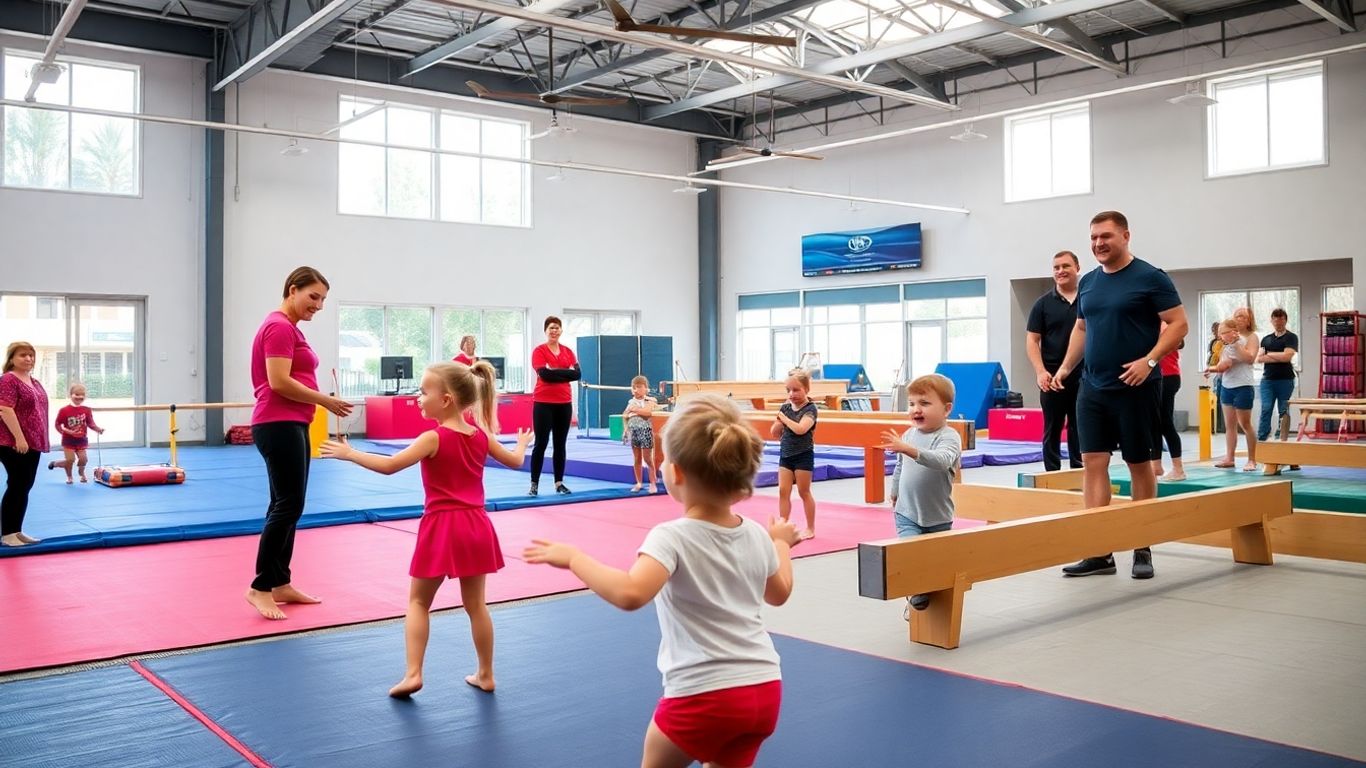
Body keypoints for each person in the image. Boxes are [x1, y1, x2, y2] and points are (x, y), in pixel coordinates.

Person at [523, 393, 801, 768]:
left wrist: (575, 558)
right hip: (764, 690)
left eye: (665, 459)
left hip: (703, 696)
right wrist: (781, 543)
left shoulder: (672, 536)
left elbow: (630, 593)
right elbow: (780, 593)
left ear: (677, 472)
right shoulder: (755, 534)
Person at [322, 361, 532, 698]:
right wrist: (521, 444)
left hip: (442, 526)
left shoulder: (433, 437)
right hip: (477, 524)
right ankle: (486, 673)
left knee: (418, 602)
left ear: (446, 399)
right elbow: (516, 461)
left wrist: (350, 453)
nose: (418, 398)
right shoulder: (479, 435)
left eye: (423, 392)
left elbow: (390, 466)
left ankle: (413, 673)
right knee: (476, 605)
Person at [1050, 211, 1187, 580]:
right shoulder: (1090, 282)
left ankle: (1142, 545)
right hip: (1092, 388)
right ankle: (1099, 551)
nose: (1098, 243)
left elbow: (1178, 323)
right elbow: (1082, 327)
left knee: (1138, 464)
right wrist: (1065, 367)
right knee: (1092, 462)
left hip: (1136, 387)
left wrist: (1151, 359)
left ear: (1125, 236)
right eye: (1093, 237)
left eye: (1106, 236)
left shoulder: (1150, 277)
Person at [245, 267, 354, 621]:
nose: (319, 305)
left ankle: (280, 582)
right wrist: (325, 400)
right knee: (287, 505)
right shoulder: (278, 326)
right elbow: (278, 381)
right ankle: (260, 587)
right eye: (313, 296)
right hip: (277, 422)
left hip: (291, 422)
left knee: (288, 503)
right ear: (293, 290)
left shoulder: (289, 328)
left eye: (323, 299)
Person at [877, 374, 961, 618]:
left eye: (924, 403)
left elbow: (942, 460)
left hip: (938, 515)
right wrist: (894, 491)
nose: (916, 409)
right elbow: (900, 467)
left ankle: (928, 589)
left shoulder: (948, 436)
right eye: (912, 404)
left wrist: (909, 450)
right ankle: (916, 592)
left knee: (936, 562)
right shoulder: (908, 435)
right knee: (912, 554)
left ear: (946, 409)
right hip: (907, 513)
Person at [1026, 250, 1085, 472]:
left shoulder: (1087, 299)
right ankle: (1052, 473)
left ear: (1077, 268)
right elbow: (1032, 341)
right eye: (1056, 267)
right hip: (1051, 377)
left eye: (1066, 266)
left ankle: (1079, 471)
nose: (1061, 271)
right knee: (1052, 426)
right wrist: (1040, 371)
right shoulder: (1042, 304)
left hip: (1083, 374)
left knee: (1079, 426)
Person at [0, 341, 50, 547]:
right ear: (12, 358)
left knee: (24, 486)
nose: (28, 359)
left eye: (31, 355)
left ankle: (16, 530)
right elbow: (4, 409)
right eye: (23, 355)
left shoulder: (34, 381)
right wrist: (19, 438)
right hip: (12, 442)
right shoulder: (8, 380)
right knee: (17, 484)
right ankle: (7, 534)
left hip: (32, 443)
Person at [528, 316, 580, 496]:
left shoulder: (568, 351)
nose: (554, 331)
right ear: (546, 330)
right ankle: (534, 484)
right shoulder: (539, 351)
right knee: (540, 443)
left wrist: (554, 371)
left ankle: (559, 483)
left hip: (564, 403)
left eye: (557, 328)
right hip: (543, 403)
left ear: (561, 331)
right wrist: (566, 373)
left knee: (560, 444)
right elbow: (544, 374)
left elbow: (577, 374)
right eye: (551, 328)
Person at [770, 368, 817, 540]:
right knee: (783, 491)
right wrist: (778, 420)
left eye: (796, 389)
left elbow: (800, 429)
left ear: (806, 389)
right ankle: (783, 524)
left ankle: (810, 527)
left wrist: (784, 418)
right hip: (786, 455)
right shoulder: (785, 408)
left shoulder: (810, 409)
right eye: (788, 390)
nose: (792, 394)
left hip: (803, 455)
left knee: (804, 492)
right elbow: (774, 432)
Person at [1206, 317, 1258, 471]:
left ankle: (1252, 460)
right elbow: (1224, 365)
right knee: (1230, 425)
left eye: (1224, 333)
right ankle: (1229, 457)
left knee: (1245, 424)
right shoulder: (1225, 346)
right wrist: (1213, 368)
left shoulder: (1240, 343)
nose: (1220, 336)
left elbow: (1242, 360)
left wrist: (1212, 368)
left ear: (1233, 332)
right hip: (1227, 386)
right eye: (1220, 333)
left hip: (1243, 386)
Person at [48, 382, 105, 484]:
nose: (80, 397)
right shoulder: (64, 410)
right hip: (68, 441)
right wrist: (64, 432)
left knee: (83, 459)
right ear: (70, 395)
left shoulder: (86, 410)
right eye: (77, 394)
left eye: (82, 395)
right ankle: (68, 475)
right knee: (70, 460)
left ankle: (81, 472)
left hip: (81, 441)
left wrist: (98, 429)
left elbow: (90, 423)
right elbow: (57, 424)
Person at [1257, 308, 1298, 442]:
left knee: (1283, 409)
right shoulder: (1266, 340)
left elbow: (1287, 357)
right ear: (1272, 320)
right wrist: (1279, 355)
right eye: (1275, 319)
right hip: (1267, 380)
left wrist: (1269, 354)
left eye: (1281, 319)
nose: (1278, 322)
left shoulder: (1291, 337)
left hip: (1285, 380)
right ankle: (1262, 438)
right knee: (1266, 407)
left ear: (1285, 320)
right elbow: (1260, 359)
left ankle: (1282, 438)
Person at [1152, 332, 1186, 482]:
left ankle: (1178, 468)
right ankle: (1156, 466)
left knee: (1165, 422)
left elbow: (1178, 342)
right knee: (1154, 423)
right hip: (1156, 377)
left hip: (1167, 377)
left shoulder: (1165, 326)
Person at [623, 375, 659, 493]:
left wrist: (634, 410)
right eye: (634, 387)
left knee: (647, 458)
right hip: (634, 430)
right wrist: (625, 430)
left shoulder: (650, 400)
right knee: (637, 458)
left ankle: (653, 483)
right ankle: (639, 482)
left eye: (639, 387)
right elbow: (625, 416)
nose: (636, 390)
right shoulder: (631, 402)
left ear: (646, 388)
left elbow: (647, 413)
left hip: (645, 430)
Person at [1207, 321, 1226, 434]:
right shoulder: (1213, 343)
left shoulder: (1227, 342)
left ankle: (1224, 426)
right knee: (1216, 400)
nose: (1215, 332)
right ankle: (1215, 426)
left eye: (1217, 330)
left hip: (1227, 374)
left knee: (1225, 400)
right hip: (1218, 375)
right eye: (1214, 330)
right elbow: (1211, 360)